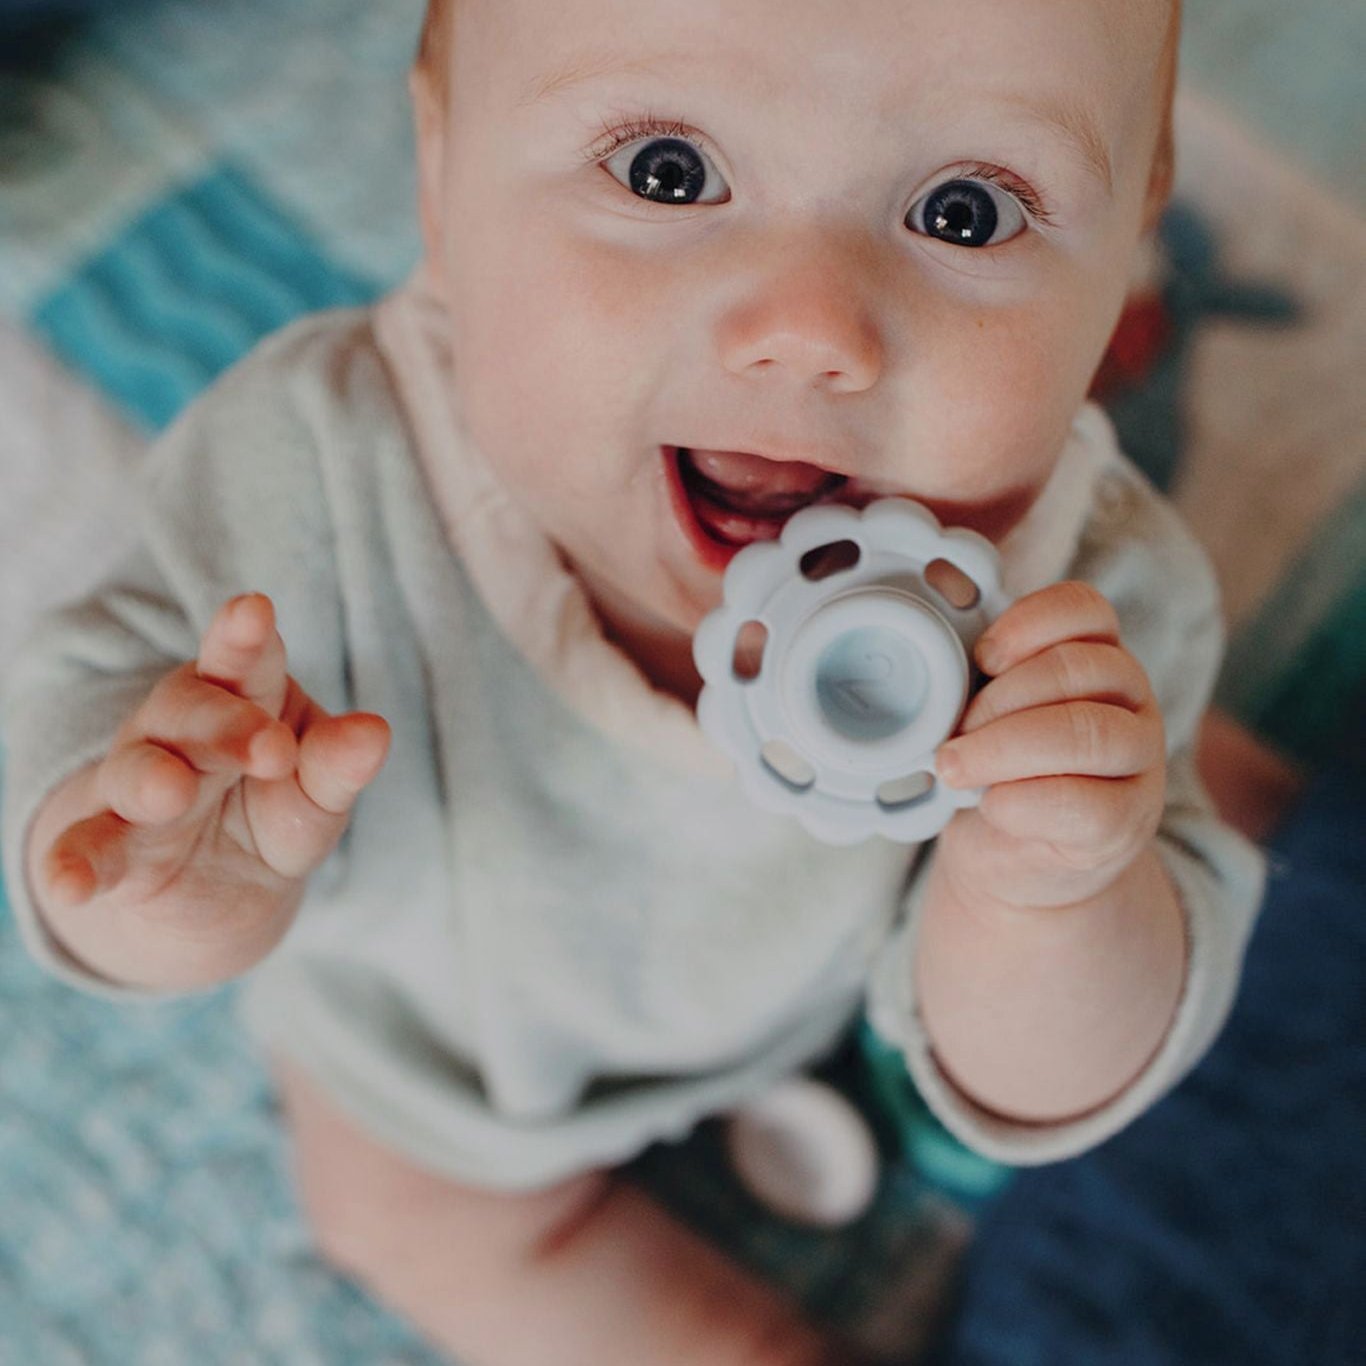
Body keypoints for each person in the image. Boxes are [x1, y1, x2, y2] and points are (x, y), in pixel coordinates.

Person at [0, 1, 1265, 1361]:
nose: (810, 329)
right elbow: (92, 720)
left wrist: (1058, 882)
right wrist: (174, 881)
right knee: (410, 1214)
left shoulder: (1090, 600)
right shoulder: (315, 468)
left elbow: (1050, 1073)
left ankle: (1179, 789)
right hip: (444, 1062)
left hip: (820, 991)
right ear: (442, 176)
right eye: (667, 172)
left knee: (1114, 796)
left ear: (1129, 230)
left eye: (964, 211)